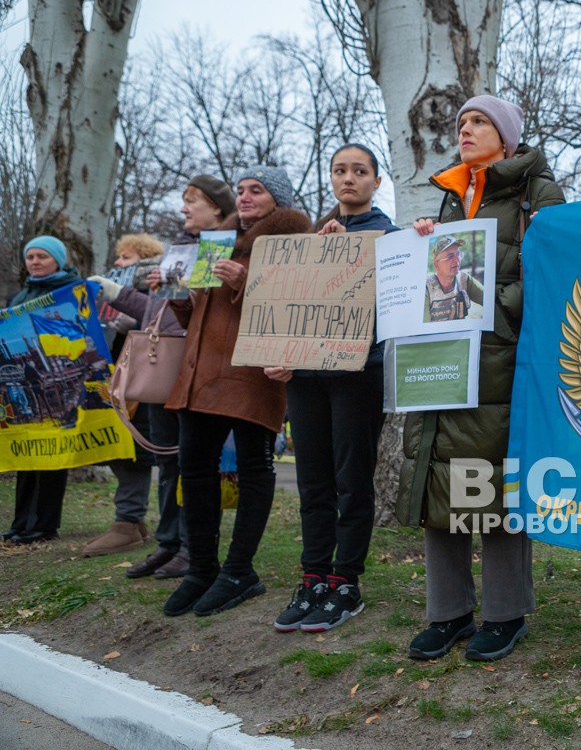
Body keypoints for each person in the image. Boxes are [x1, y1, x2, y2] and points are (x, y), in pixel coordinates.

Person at [402, 95, 564, 662]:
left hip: (501, 356)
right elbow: (442, 276)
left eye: (479, 122)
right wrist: (424, 241)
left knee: (489, 480)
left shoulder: (535, 190)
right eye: (462, 122)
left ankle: (504, 614)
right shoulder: (452, 195)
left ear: (508, 137)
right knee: (437, 472)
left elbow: (550, 268)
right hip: (441, 356)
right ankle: (447, 613)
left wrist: (490, 309)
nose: (465, 130)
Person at [154, 166, 310, 618]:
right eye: (240, 190)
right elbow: (198, 320)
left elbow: (297, 307)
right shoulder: (216, 243)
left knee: (252, 471)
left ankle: (240, 571)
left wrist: (247, 284)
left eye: (256, 191)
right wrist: (180, 294)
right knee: (194, 470)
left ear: (276, 200)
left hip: (250, 373)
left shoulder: (291, 242)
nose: (244, 197)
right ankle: (201, 569)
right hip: (201, 376)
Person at [265, 143, 398, 633]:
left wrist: (356, 252)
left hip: (360, 373)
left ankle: (346, 582)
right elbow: (287, 308)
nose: (349, 179)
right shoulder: (309, 239)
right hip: (306, 375)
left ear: (376, 181)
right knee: (312, 482)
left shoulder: (391, 235)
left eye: (359, 171)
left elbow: (401, 298)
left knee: (351, 478)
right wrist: (279, 355)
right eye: (340, 170)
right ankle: (313, 578)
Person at [94, 176, 237, 579]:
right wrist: (130, 294)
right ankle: (168, 543)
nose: (184, 208)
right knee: (166, 458)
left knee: (192, 461)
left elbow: (207, 313)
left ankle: (193, 546)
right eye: (185, 201)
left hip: (196, 368)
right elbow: (159, 317)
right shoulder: (177, 249)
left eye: (193, 201)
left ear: (217, 209)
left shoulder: (222, 247)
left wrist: (170, 290)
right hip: (163, 366)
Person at [80, 233, 165, 558]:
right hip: (118, 381)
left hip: (145, 383)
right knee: (119, 449)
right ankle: (135, 522)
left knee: (134, 454)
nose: (118, 263)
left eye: (126, 257)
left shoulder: (155, 287)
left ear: (143, 260)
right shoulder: (112, 293)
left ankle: (127, 525)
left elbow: (153, 321)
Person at [3, 236, 82, 545]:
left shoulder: (70, 291)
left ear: (58, 261)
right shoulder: (20, 295)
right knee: (26, 456)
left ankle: (45, 524)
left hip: (60, 383)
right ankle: (21, 522)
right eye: (30, 257)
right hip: (22, 383)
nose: (34, 262)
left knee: (51, 457)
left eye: (42, 257)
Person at [424, 235, 484, 322]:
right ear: (437, 265)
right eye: (450, 256)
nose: (457, 260)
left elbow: (490, 300)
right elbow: (424, 329)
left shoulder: (464, 279)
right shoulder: (427, 287)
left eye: (458, 254)